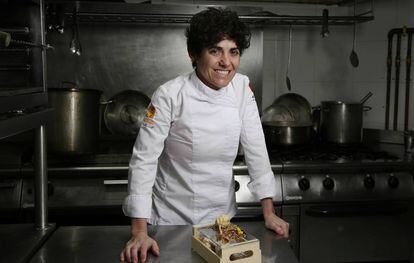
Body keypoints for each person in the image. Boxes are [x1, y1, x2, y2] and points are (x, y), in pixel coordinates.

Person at [120, 7, 289, 263]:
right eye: (215, 51)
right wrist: (139, 232)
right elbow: (144, 160)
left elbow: (256, 149)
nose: (226, 62)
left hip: (221, 222)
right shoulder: (170, 95)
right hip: (170, 219)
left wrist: (269, 211)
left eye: (233, 52)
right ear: (193, 54)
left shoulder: (242, 88)